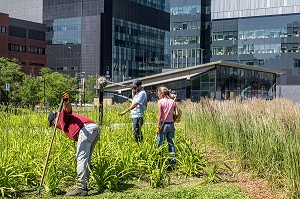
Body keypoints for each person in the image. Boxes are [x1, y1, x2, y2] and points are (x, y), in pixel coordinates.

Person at [48, 92, 100, 196]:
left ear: (54, 119)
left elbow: (67, 108)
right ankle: (84, 185)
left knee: (80, 158)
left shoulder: (61, 116)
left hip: (86, 130)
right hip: (94, 129)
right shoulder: (63, 123)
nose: (55, 127)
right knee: (86, 158)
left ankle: (81, 187)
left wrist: (66, 100)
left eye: (53, 124)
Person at [156, 86, 179, 166]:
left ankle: (160, 162)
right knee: (171, 144)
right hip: (171, 125)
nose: (157, 95)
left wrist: (158, 127)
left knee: (160, 144)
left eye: (158, 93)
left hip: (163, 125)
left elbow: (159, 115)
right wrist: (174, 120)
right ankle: (173, 163)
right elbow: (177, 114)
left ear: (162, 94)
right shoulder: (173, 101)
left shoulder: (160, 102)